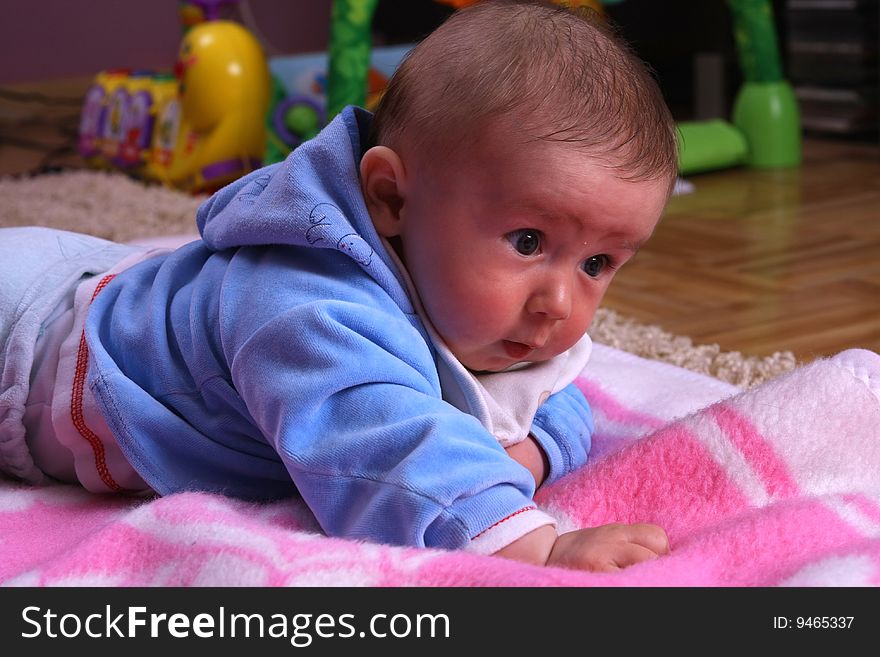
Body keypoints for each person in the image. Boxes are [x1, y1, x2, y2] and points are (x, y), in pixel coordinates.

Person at [0, 0, 677, 572]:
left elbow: (553, 393)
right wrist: (537, 545)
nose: (561, 303)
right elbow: (391, 453)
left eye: (598, 264)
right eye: (528, 242)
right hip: (30, 348)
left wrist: (528, 448)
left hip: (105, 278)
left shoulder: (499, 312)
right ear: (389, 199)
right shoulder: (309, 312)